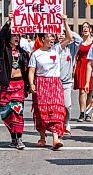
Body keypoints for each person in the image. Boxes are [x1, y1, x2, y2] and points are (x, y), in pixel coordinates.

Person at [28, 15, 72, 150]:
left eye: (53, 36)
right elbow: (31, 71)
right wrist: (32, 84)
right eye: (49, 36)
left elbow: (70, 38)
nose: (52, 38)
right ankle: (42, 136)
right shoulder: (36, 54)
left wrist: (65, 21)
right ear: (42, 39)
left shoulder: (57, 49)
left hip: (55, 83)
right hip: (41, 83)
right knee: (42, 111)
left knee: (56, 110)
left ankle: (55, 138)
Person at [0, 12, 30, 149]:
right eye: (14, 35)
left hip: (19, 85)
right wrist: (9, 22)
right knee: (5, 113)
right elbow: (0, 38)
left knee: (17, 112)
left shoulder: (23, 53)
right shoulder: (4, 50)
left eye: (18, 36)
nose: (17, 38)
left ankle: (19, 138)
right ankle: (13, 137)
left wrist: (28, 85)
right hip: (6, 85)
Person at [59, 28, 83, 134]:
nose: (60, 35)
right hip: (54, 82)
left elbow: (79, 40)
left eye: (62, 33)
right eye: (58, 33)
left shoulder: (71, 47)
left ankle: (66, 122)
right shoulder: (53, 48)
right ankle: (56, 125)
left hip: (66, 82)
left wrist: (65, 26)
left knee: (66, 105)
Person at [73, 22, 93, 122]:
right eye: (83, 27)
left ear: (90, 29)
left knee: (90, 91)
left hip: (91, 67)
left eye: (87, 27)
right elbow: (75, 55)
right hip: (81, 66)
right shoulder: (79, 41)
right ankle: (82, 113)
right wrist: (73, 66)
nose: (85, 29)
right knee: (82, 91)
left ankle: (87, 113)